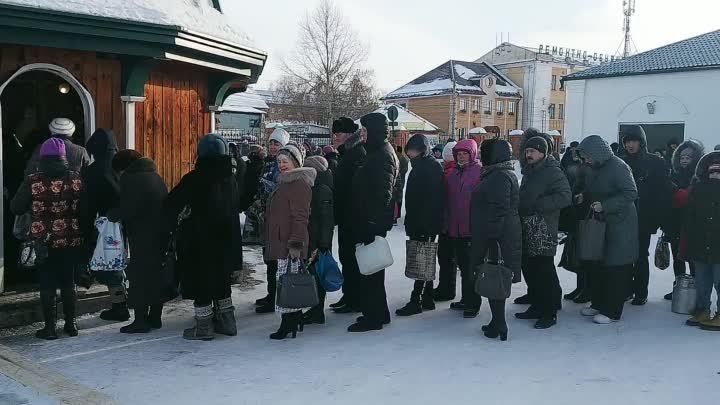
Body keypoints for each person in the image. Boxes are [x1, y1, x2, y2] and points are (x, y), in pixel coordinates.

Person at [165, 134, 240, 341]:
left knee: (201, 285)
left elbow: (171, 205)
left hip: (198, 243)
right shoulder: (230, 180)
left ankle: (204, 327)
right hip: (226, 243)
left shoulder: (194, 179)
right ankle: (227, 322)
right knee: (222, 283)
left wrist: (182, 218)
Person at [11, 138, 85, 340]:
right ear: (63, 157)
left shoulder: (33, 181)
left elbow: (16, 207)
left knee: (47, 283)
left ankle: (50, 329)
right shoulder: (76, 179)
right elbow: (84, 208)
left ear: (42, 157)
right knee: (69, 281)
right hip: (71, 238)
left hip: (43, 240)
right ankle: (71, 324)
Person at [577, 135, 638, 324]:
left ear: (597, 153)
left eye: (587, 156)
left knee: (615, 269)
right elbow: (595, 188)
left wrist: (606, 205)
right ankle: (598, 303)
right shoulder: (595, 167)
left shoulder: (618, 166)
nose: (586, 160)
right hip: (601, 224)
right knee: (598, 265)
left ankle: (612, 310)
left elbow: (631, 192)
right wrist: (583, 195)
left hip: (620, 225)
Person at [347, 112, 399, 332]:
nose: (362, 134)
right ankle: (379, 312)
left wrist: (371, 223)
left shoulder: (383, 155)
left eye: (365, 130)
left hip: (371, 224)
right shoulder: (377, 151)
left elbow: (383, 194)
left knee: (371, 272)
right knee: (372, 271)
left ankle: (373, 317)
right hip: (368, 221)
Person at [107, 150, 169, 333]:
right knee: (156, 275)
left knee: (139, 276)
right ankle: (155, 317)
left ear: (123, 168)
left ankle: (141, 320)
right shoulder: (155, 176)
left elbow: (129, 207)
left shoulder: (131, 179)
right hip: (161, 233)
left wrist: (112, 215)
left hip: (143, 234)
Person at [515, 137, 571, 329]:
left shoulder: (552, 171)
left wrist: (540, 205)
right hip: (528, 225)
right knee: (531, 267)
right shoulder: (530, 171)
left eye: (533, 151)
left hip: (544, 227)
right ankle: (537, 305)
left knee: (543, 269)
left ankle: (549, 312)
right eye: (527, 151)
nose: (528, 154)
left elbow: (565, 196)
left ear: (543, 152)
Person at [471, 139, 521, 341]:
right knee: (494, 275)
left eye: (484, 152)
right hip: (498, 233)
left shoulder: (499, 176)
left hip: (497, 236)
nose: (481, 156)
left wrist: (492, 239)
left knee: (495, 275)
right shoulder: (499, 173)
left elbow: (499, 209)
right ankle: (496, 321)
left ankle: (499, 323)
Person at [264, 144, 314, 339]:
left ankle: (288, 324)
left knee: (288, 283)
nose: (282, 165)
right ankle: (294, 320)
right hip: (282, 240)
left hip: (290, 243)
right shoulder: (285, 181)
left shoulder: (298, 183)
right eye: (279, 162)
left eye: (286, 161)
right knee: (286, 280)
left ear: (295, 161)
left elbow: (301, 217)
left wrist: (295, 244)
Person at [620, 125, 673, 305]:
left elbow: (662, 192)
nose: (630, 145)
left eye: (633, 141)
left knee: (641, 255)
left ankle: (641, 292)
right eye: (627, 141)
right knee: (625, 255)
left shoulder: (655, 162)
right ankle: (626, 288)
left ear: (641, 142)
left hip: (644, 217)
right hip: (624, 217)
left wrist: (658, 218)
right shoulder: (622, 161)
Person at [395, 134, 444, 316]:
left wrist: (424, 225)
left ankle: (416, 299)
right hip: (419, 221)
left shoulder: (430, 167)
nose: (410, 154)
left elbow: (433, 200)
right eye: (409, 151)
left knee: (422, 261)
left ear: (422, 150)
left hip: (425, 223)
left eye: (413, 151)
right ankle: (428, 296)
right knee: (426, 259)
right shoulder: (421, 166)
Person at [84, 129, 129, 322]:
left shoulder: (95, 170)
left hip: (107, 223)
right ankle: (122, 303)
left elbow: (88, 204)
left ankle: (120, 307)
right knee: (119, 262)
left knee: (111, 266)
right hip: (127, 221)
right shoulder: (122, 166)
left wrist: (85, 228)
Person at [445, 139, 483, 318]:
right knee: (462, 266)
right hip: (455, 228)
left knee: (471, 269)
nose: (461, 157)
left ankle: (473, 302)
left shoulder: (479, 172)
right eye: (458, 154)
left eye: (464, 154)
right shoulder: (454, 174)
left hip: (471, 229)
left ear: (472, 154)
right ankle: (465, 298)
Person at [330, 117, 364, 314]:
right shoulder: (346, 153)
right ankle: (348, 295)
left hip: (352, 217)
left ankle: (354, 298)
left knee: (352, 259)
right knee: (346, 257)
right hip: (345, 216)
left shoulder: (356, 153)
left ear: (350, 134)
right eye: (334, 133)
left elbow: (354, 189)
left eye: (339, 133)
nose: (335, 137)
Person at [254, 128, 290, 313]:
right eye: (271, 143)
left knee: (276, 262)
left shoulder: (283, 166)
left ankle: (275, 297)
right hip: (266, 218)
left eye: (277, 144)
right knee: (269, 260)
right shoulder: (268, 164)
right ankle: (271, 294)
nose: (273, 147)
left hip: (278, 220)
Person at [683, 151, 720, 330]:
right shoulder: (698, 188)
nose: (715, 176)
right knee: (702, 280)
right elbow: (689, 215)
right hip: (700, 242)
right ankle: (702, 309)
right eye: (712, 172)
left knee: (719, 280)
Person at [664, 140, 704, 300]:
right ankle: (679, 288)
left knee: (693, 259)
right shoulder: (673, 175)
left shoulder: (700, 177)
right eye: (681, 157)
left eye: (688, 156)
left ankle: (696, 291)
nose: (684, 160)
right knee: (677, 257)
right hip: (675, 223)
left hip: (693, 224)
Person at [302, 156, 335, 325]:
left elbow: (326, 220)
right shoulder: (317, 187)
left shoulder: (322, 190)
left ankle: (318, 311)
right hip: (315, 239)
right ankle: (315, 309)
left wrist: (323, 245)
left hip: (319, 242)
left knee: (318, 277)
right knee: (314, 275)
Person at [433, 141, 459, 301]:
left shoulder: (449, 172)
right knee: (447, 257)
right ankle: (445, 287)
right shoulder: (450, 171)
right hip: (450, 222)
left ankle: (446, 289)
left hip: (449, 222)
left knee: (447, 258)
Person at [25, 118, 90, 176]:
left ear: (51, 131)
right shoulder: (81, 151)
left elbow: (29, 172)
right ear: (72, 132)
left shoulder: (39, 148)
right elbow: (87, 175)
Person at [393, 145, 410, 223]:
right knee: (396, 197)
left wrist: (398, 174)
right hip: (396, 180)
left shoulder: (402, 159)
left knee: (398, 197)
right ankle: (396, 215)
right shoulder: (396, 157)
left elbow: (404, 169)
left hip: (399, 180)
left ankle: (397, 214)